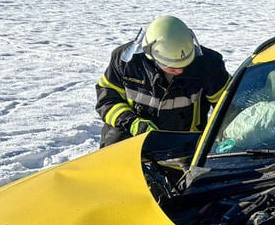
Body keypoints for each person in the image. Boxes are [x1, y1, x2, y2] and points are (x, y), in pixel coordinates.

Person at [95, 16, 230, 147]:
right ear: (152, 57)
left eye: (185, 64)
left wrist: (229, 136)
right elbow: (106, 100)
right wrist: (133, 123)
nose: (180, 71)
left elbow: (231, 105)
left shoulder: (208, 65)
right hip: (126, 144)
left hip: (182, 149)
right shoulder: (125, 62)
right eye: (173, 67)